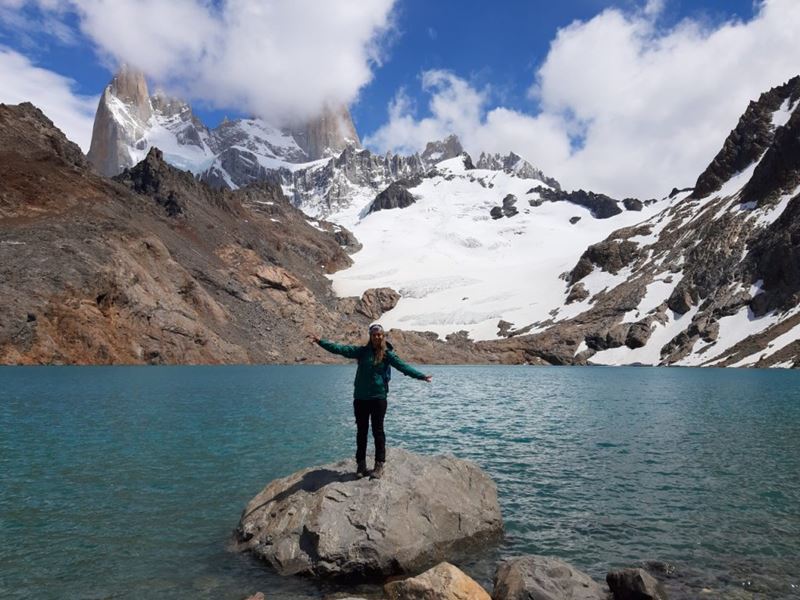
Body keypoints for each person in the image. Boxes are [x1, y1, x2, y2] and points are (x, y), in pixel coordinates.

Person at [312, 324, 432, 479]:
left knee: (378, 431)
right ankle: (361, 465)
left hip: (378, 398)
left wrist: (421, 376)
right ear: (370, 336)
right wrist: (320, 342)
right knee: (361, 432)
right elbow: (340, 349)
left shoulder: (387, 354)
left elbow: (403, 367)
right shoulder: (362, 352)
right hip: (360, 398)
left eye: (380, 334)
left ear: (383, 336)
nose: (377, 337)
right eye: (374, 335)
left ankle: (379, 465)